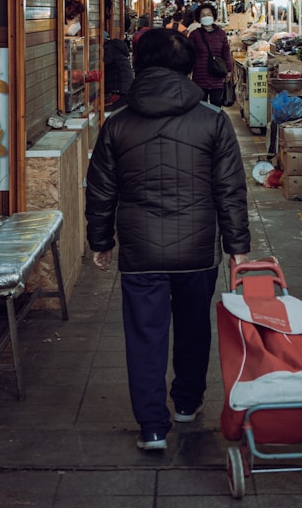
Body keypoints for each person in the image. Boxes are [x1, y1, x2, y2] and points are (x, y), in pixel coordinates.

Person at [85, 29, 250, 452]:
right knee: (194, 328)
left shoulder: (117, 123)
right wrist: (237, 248)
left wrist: (101, 241)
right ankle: (187, 405)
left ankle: (153, 428)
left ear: (138, 64)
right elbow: (230, 189)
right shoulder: (214, 120)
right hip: (197, 252)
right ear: (187, 66)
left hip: (140, 253)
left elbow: (101, 190)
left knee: (145, 336)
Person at [188, 2, 232, 105]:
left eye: (209, 14)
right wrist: (187, 71)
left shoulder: (221, 34)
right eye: (203, 15)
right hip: (199, 76)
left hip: (217, 75)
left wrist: (229, 70)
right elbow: (189, 54)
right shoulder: (194, 35)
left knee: (216, 104)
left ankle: (215, 121)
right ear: (199, 18)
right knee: (201, 106)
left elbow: (226, 52)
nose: (206, 17)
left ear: (213, 16)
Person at [103, 33, 134, 105]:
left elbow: (103, 63)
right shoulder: (117, 49)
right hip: (125, 88)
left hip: (117, 90)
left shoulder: (108, 49)